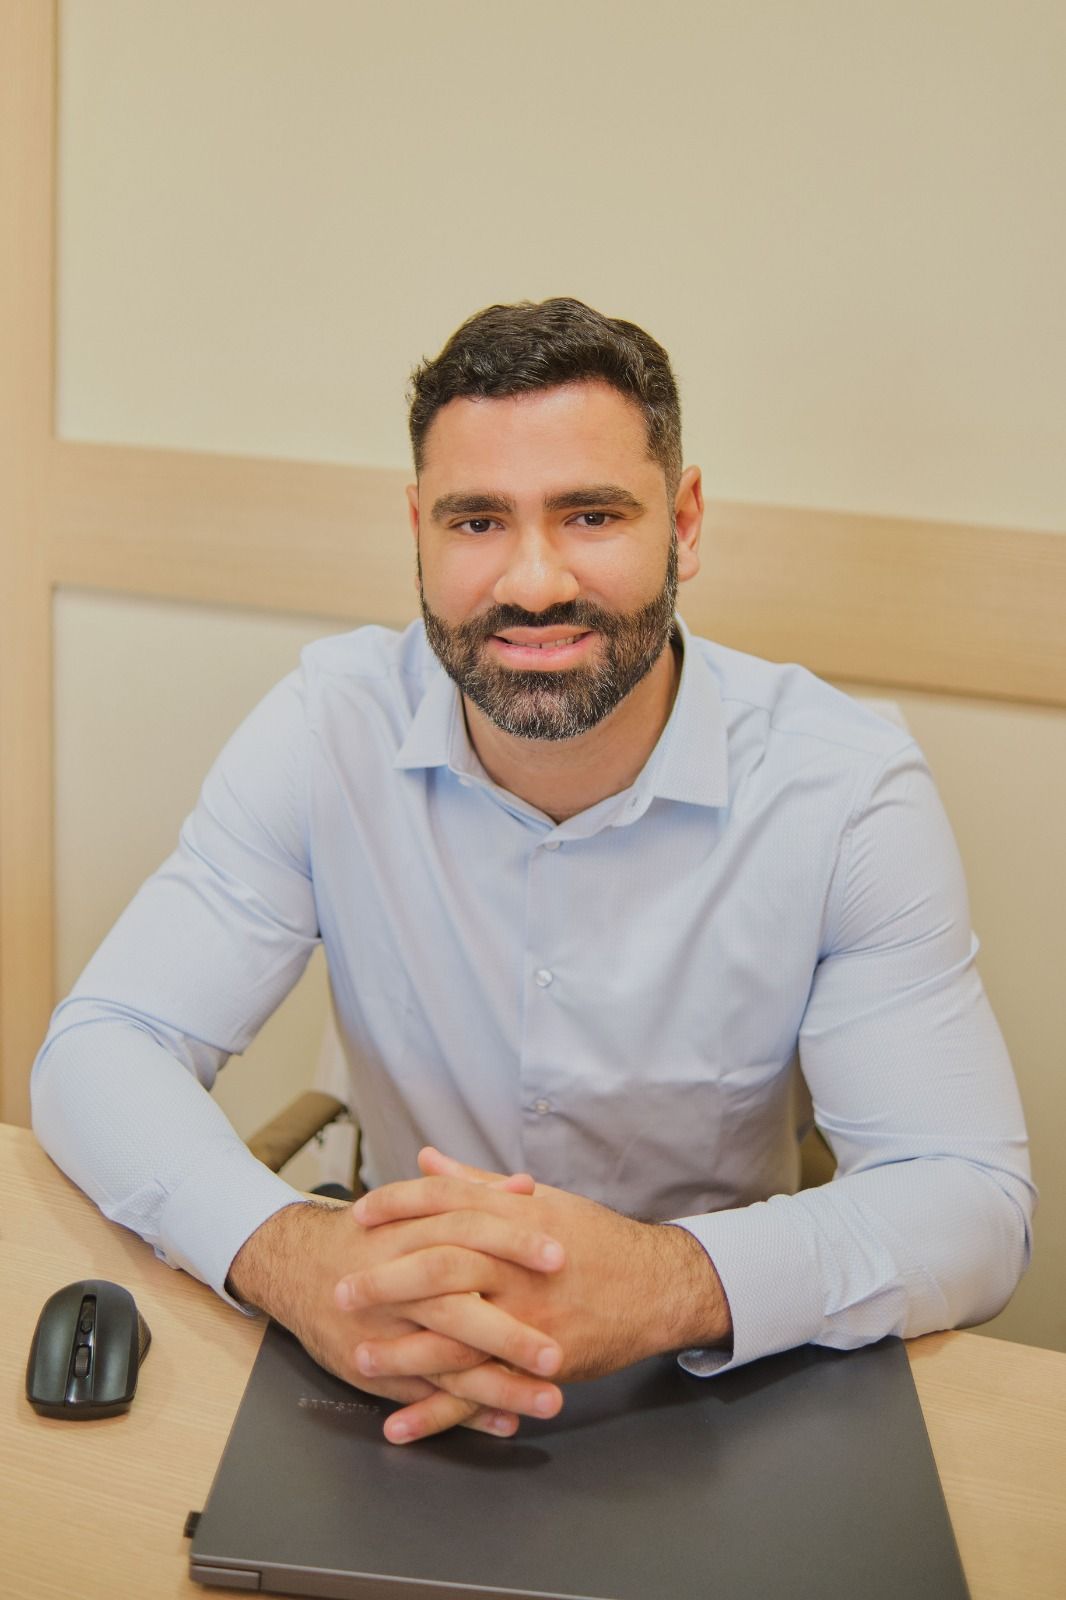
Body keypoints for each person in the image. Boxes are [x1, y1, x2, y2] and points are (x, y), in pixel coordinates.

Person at [32, 298, 1034, 1447]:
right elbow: (102, 1044)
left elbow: (967, 1201)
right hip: (392, 1351)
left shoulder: (844, 788)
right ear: (418, 530)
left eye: (591, 514)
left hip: (718, 1369)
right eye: (476, 521)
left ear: (684, 523)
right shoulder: (326, 729)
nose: (535, 581)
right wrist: (289, 1252)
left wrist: (667, 1281)